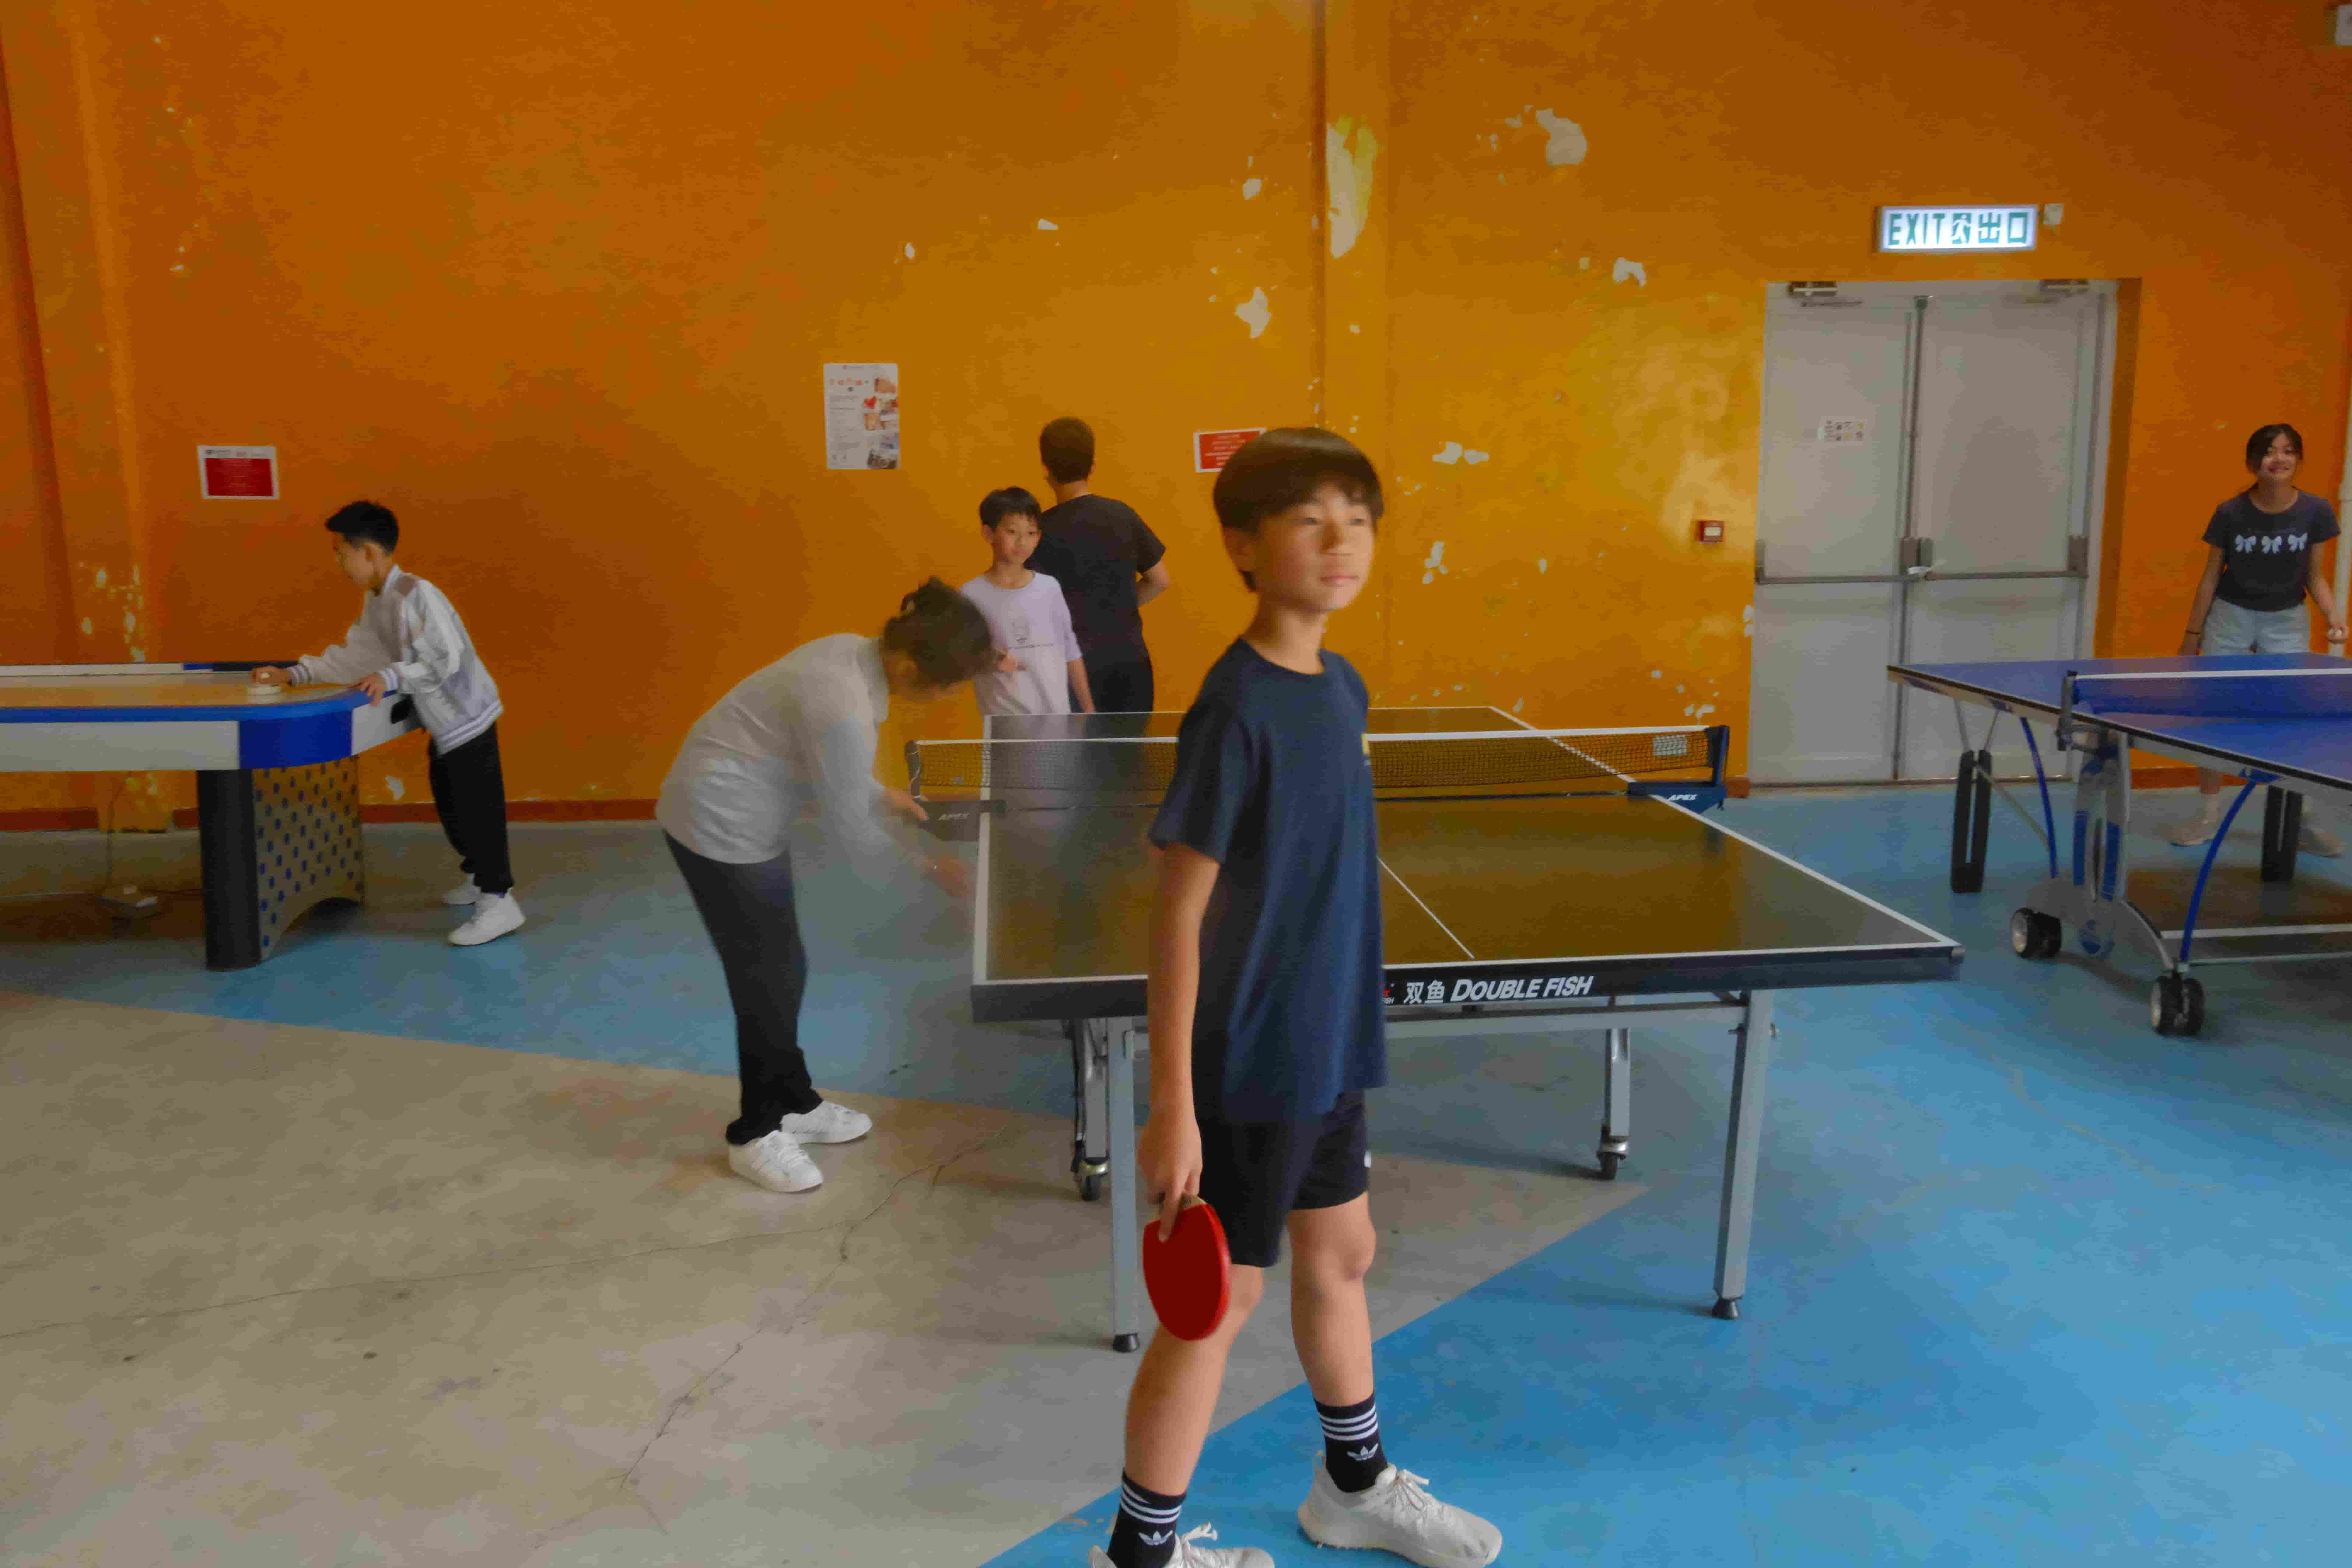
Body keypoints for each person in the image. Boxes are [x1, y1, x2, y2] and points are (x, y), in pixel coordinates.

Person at [1090, 430, 1501, 1568]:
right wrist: (1172, 1104)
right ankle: (1138, 1554)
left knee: (1343, 1252)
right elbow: (1178, 914)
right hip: (1254, 1055)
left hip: (1327, 1042)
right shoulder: (1237, 708)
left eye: (1357, 520)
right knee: (1216, 1303)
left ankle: (1351, 1486)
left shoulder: (1341, 686)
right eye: (1309, 521)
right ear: (1241, 545)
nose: (1340, 543)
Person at [656, 581, 993, 1194]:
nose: (949, 696)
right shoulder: (843, 704)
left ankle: (794, 1099)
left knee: (783, 966)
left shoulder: (851, 652)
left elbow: (827, 763)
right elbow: (851, 832)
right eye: (948, 686)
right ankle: (755, 1131)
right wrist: (929, 869)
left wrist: (879, 794)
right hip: (720, 822)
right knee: (765, 977)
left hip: (746, 808)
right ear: (909, 667)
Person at [253, 500, 520, 947]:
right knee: (453, 805)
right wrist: (295, 674)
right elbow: (357, 656)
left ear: (370, 553)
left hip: (468, 718)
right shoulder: (378, 602)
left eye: (341, 552)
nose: (338, 562)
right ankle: (479, 879)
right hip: (443, 724)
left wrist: (392, 676)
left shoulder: (417, 593)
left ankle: (500, 901)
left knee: (478, 811)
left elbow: (448, 657)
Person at [2168, 423, 2347, 852]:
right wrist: (2192, 634)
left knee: (2289, 721)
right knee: (2214, 716)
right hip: (2230, 617)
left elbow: (2315, 577)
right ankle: (2209, 815)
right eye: (2269, 451)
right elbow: (2211, 576)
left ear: (2298, 459)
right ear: (2253, 462)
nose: (2279, 459)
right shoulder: (2231, 512)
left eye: (2288, 451)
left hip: (2286, 621)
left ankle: (2297, 820)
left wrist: (2335, 616)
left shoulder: (2316, 511)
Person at [1030, 417, 1171, 712]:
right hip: (1129, 663)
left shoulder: (1038, 533)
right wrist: (1120, 607)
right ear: (1092, 466)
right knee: (1129, 743)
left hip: (1071, 669)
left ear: (1047, 469)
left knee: (1077, 744)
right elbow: (1160, 580)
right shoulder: (1122, 515)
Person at [962, 487, 1096, 718]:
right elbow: (961, 656)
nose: (1022, 542)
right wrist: (991, 660)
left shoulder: (1049, 588)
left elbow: (1071, 649)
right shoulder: (971, 594)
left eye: (1032, 533)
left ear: (1038, 538)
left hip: (1057, 719)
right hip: (1005, 723)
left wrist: (1088, 708)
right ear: (989, 534)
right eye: (1012, 532)